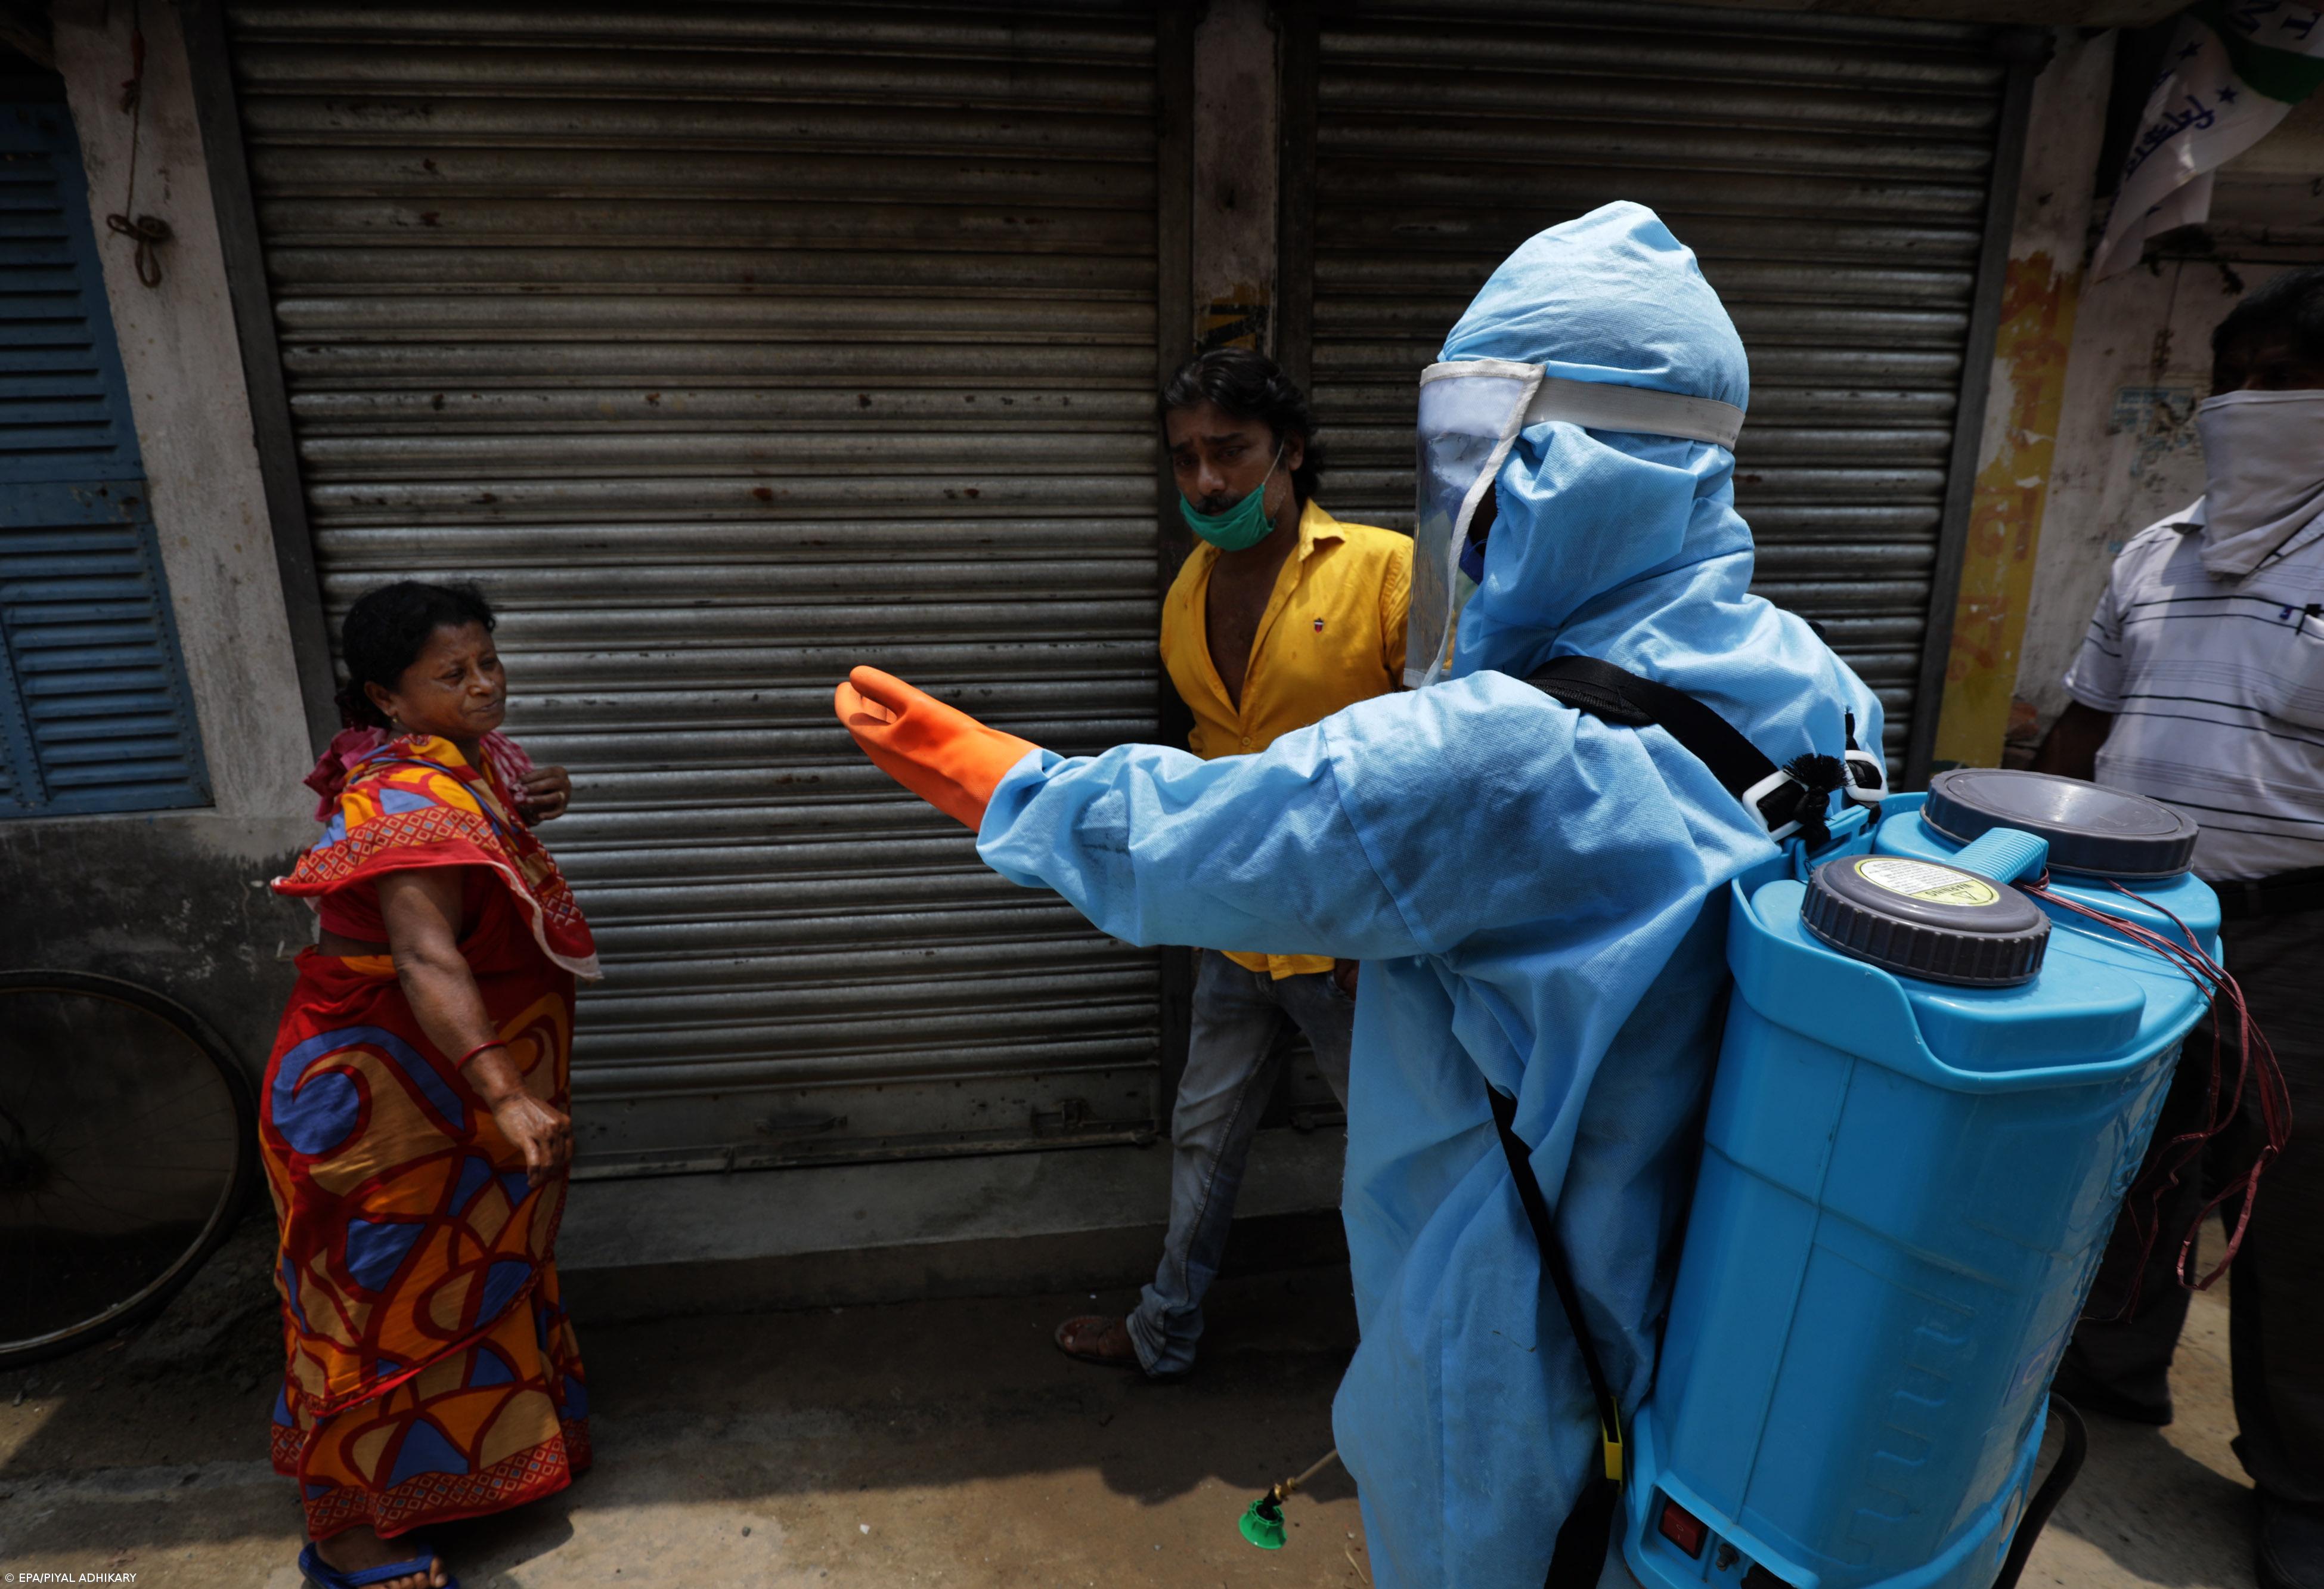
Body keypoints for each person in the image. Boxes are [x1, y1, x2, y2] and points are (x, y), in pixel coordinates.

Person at [835, 202, 1880, 1587]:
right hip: (1735, 1291)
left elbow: (1247, 830)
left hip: (1522, 1313)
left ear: (1547, 471)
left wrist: (1000, 780)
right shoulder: (1812, 676)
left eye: (1473, 463)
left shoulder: (1509, 749)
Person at [2034, 265, 2324, 1589]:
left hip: (2294, 934)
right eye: (2239, 377)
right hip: (2137, 923)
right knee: (2134, 1159)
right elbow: (2080, 728)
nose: (2251, 406)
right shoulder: (2157, 549)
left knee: (2297, 1210)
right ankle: (2110, 1370)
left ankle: (2301, 1481)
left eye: (2288, 380)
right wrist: (2007, 849)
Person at [1052, 346, 1411, 1379]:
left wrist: (1387, 929)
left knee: (1399, 1153)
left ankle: (1414, 1359)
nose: (1205, 481)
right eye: (1185, 458)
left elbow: (1448, 762)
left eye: (1230, 451)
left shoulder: (1387, 571)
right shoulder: (1188, 587)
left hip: (1358, 941)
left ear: (1289, 450)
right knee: (1202, 1134)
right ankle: (1164, 1331)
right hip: (1238, 927)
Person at [264, 581, 600, 1589]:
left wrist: (540, 794)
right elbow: (427, 959)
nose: (485, 685)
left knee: (461, 1278)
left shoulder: (458, 760)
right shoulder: (406, 800)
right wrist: (504, 1092)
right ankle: (348, 1531)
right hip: (383, 1094)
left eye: (489, 661)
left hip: (436, 1089)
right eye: (452, 675)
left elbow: (490, 836)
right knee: (374, 1303)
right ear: (388, 697)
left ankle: (471, 1473)